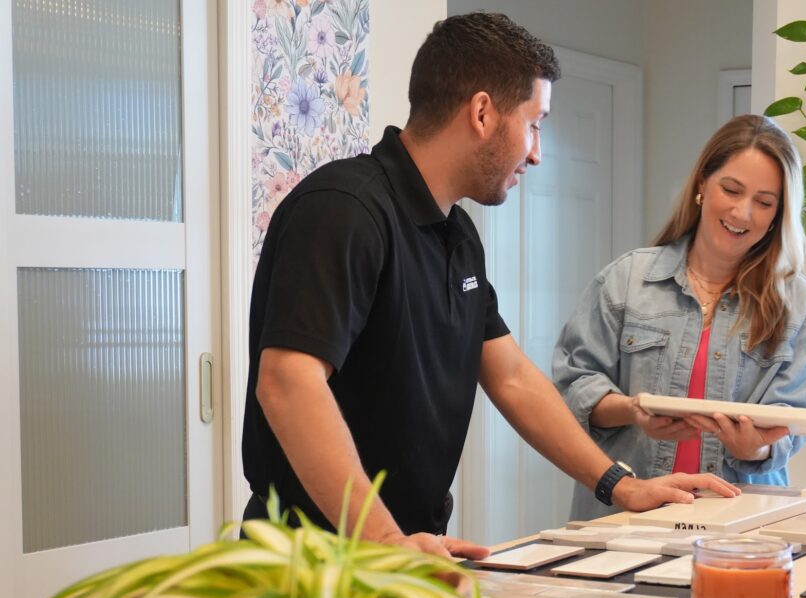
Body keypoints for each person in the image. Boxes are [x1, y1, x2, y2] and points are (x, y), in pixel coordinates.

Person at [241, 12, 736, 560]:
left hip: (408, 547)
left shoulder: (457, 234)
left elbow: (511, 377)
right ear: (482, 112)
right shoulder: (345, 210)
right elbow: (287, 382)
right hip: (312, 558)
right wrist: (384, 540)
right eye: (534, 123)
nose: (536, 152)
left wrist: (620, 485)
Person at [553, 114, 806, 522]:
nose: (742, 212)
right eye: (731, 189)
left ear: (778, 214)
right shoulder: (626, 280)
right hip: (624, 521)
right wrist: (632, 410)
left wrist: (755, 447)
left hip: (741, 529)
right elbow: (572, 388)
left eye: (764, 202)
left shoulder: (799, 305)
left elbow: (793, 421)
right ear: (702, 184)